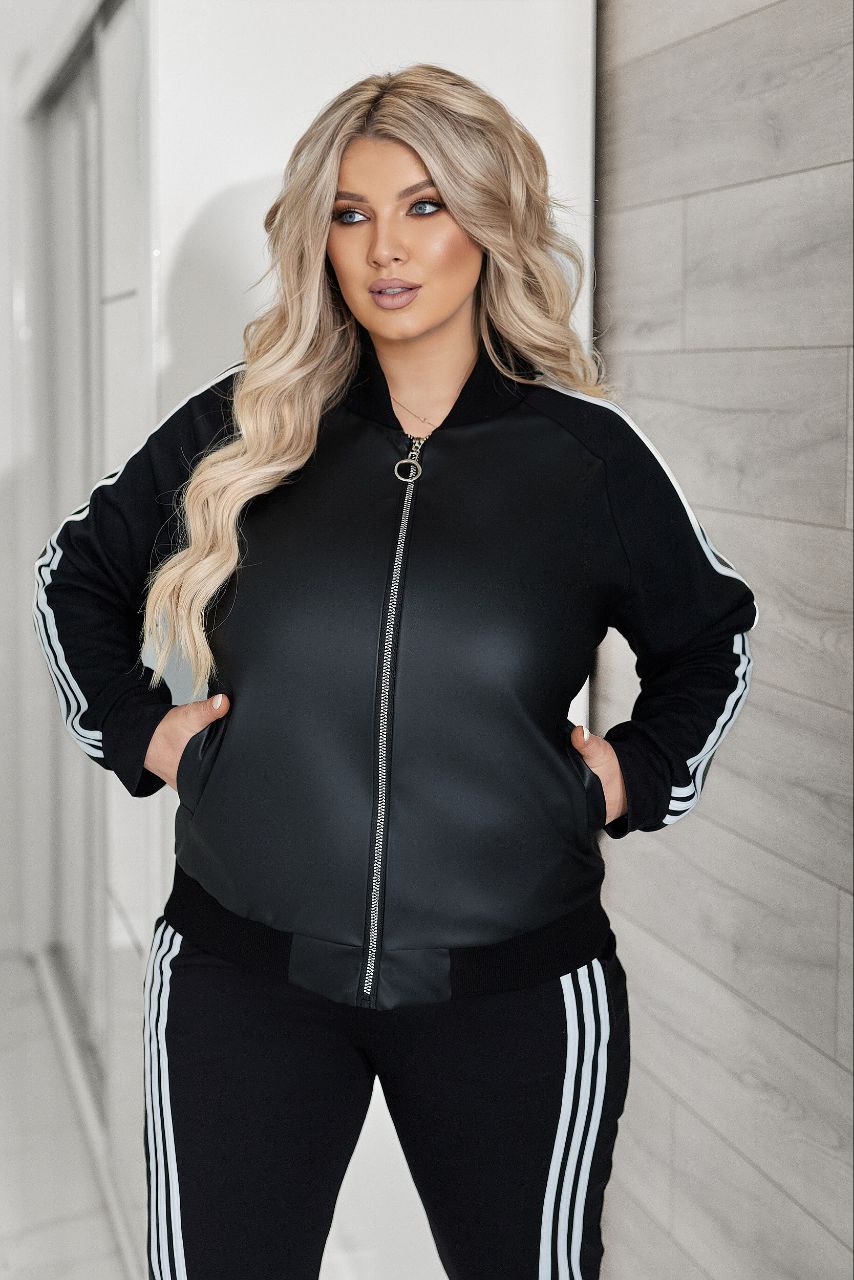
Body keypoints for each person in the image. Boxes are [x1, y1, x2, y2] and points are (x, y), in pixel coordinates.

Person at [32, 62, 757, 1280]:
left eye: (424, 206)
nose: (384, 248)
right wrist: (140, 730)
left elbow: (711, 636)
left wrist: (628, 775)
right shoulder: (243, 428)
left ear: (487, 217)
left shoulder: (582, 458)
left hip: (514, 991)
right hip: (242, 980)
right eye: (351, 212)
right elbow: (74, 576)